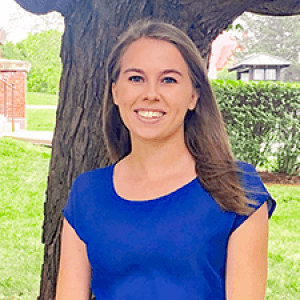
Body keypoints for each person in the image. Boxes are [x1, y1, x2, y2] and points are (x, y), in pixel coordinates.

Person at [56, 19, 276, 300]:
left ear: (194, 95)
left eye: (168, 80)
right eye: (136, 78)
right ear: (115, 92)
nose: (150, 94)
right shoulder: (87, 193)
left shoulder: (237, 188)